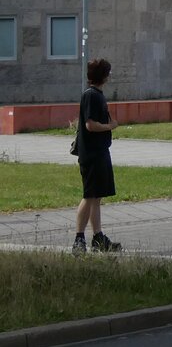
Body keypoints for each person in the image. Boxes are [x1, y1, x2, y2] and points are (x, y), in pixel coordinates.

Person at [73, 58, 122, 253]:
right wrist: (110, 126)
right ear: (103, 75)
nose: (110, 75)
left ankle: (98, 237)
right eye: (108, 72)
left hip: (100, 151)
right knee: (89, 195)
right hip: (91, 154)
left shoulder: (97, 95)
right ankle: (79, 239)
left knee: (96, 196)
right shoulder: (91, 95)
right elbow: (90, 125)